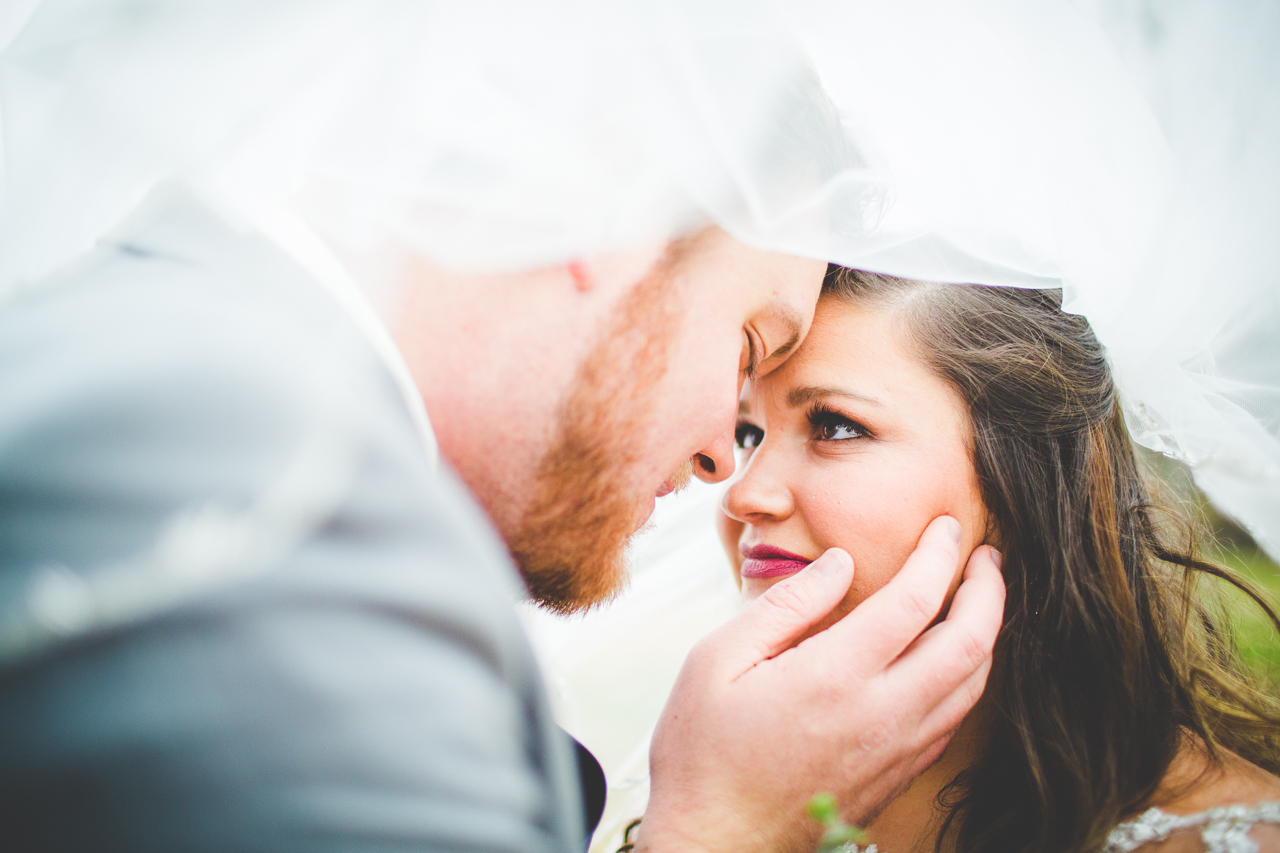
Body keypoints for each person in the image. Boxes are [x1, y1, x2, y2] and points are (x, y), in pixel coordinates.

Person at [0, 6, 1007, 853]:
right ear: (599, 211)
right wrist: (720, 825)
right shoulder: (306, 532)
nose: (718, 453)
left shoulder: (179, 353)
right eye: (747, 350)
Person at [714, 267, 1280, 853]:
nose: (742, 494)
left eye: (834, 425)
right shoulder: (727, 778)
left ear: (1020, 485)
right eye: (747, 434)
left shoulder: (1217, 838)